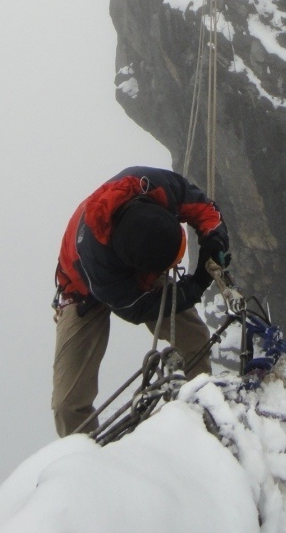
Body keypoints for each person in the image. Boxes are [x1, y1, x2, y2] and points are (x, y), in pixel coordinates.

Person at [52, 166, 230, 437]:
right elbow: (137, 307)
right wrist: (195, 287)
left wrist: (214, 239)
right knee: (68, 403)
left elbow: (204, 208)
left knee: (195, 340)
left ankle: (200, 412)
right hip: (81, 290)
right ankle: (84, 461)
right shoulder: (98, 263)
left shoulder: (155, 186)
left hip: (136, 258)